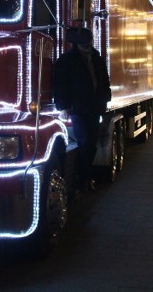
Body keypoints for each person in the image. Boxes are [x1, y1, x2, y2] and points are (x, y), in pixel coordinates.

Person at [53, 27, 111, 193]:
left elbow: (104, 81)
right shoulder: (66, 60)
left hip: (94, 108)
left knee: (91, 144)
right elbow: (60, 85)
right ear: (76, 45)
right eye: (83, 43)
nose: (87, 45)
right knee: (84, 142)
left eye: (88, 42)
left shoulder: (97, 59)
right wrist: (63, 106)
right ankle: (82, 179)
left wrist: (105, 100)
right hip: (78, 108)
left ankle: (85, 179)